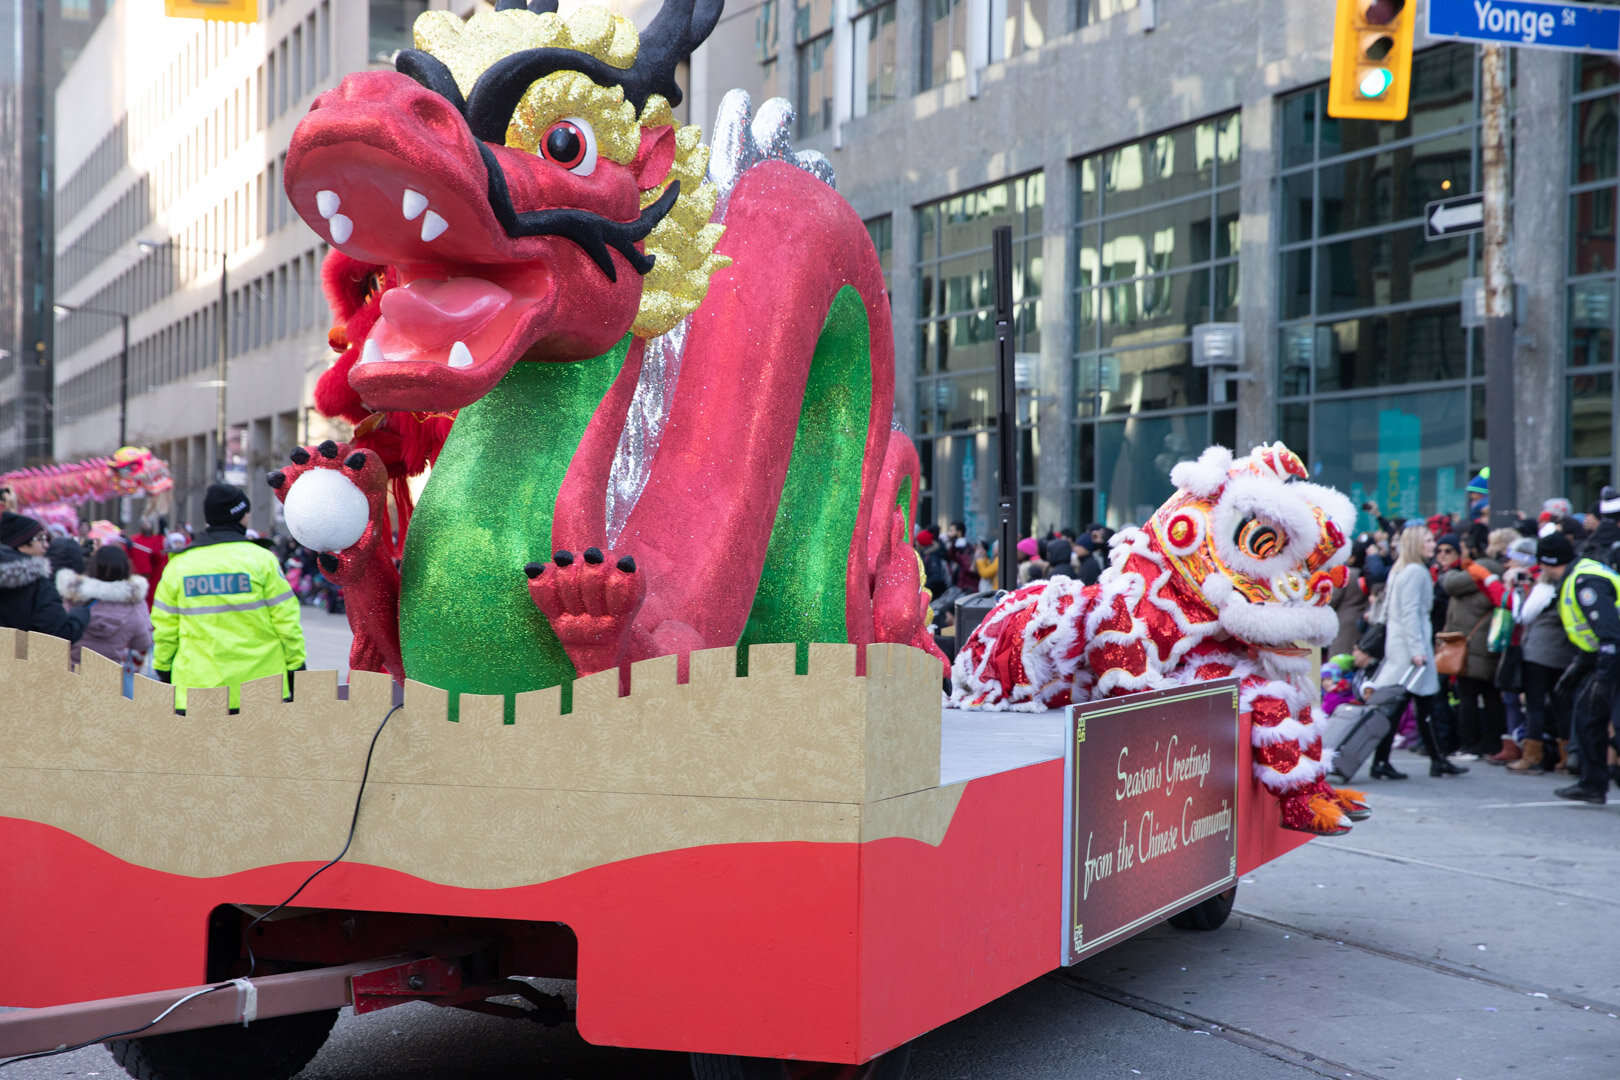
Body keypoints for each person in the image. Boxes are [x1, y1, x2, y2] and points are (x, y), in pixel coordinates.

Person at [151, 484, 306, 711]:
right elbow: (287, 623)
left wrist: (163, 668)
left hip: (197, 690)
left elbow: (165, 630)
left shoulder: (179, 565)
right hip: (261, 690)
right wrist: (296, 668)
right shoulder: (263, 561)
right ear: (240, 515)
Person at [1369, 525, 1466, 778]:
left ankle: (1433, 759)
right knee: (1409, 706)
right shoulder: (1416, 571)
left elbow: (1391, 611)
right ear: (1417, 544)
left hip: (1400, 644)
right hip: (1411, 647)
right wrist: (1417, 650)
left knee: (1419, 705)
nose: (1434, 544)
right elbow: (1411, 612)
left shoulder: (1400, 570)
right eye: (1429, 540)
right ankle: (1387, 761)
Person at [1543, 533, 1620, 804]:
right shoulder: (1576, 576)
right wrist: (1581, 666)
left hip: (1613, 656)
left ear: (1546, 562)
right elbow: (1593, 637)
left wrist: (1603, 678)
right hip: (1604, 657)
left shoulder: (1585, 581)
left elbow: (1610, 633)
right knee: (1587, 714)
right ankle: (1592, 784)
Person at [1507, 536, 1577, 775]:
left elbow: (1523, 616)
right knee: (1562, 705)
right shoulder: (1572, 585)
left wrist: (1518, 593)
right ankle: (1567, 756)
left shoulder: (1545, 588)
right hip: (1564, 654)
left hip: (1538, 653)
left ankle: (1532, 756)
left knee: (1535, 705)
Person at [1440, 538, 1506, 760]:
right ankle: (1492, 744)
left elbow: (1450, 583)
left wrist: (1451, 570)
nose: (1461, 553)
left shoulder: (1480, 569)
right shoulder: (1492, 572)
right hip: (1484, 644)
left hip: (1472, 646)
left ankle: (1470, 745)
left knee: (1468, 695)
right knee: (1490, 695)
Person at [58, 544, 153, 681]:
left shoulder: (73, 595)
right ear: (126, 568)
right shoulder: (135, 603)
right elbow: (143, 642)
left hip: (71, 675)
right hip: (110, 680)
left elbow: (58, 632)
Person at [0, 512, 91, 643]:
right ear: (21, 543)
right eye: (40, 538)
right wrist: (79, 615)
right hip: (21, 661)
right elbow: (59, 635)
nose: (46, 545)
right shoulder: (38, 584)